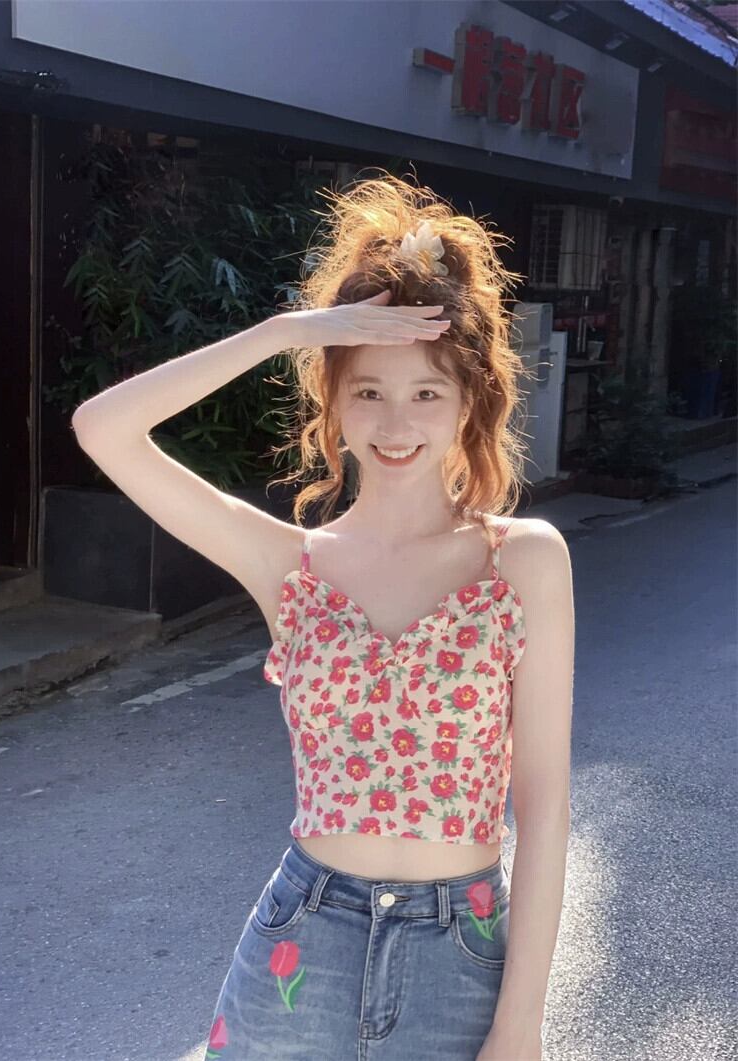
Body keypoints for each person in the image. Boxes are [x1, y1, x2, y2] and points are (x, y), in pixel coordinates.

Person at [71, 173, 574, 1061]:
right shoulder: (289, 565)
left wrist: (521, 1023)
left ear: (469, 402)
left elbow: (543, 804)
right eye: (367, 389)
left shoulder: (524, 560)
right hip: (301, 943)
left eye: (427, 393)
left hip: (461, 952)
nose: (395, 421)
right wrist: (290, 331)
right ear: (333, 401)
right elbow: (102, 426)